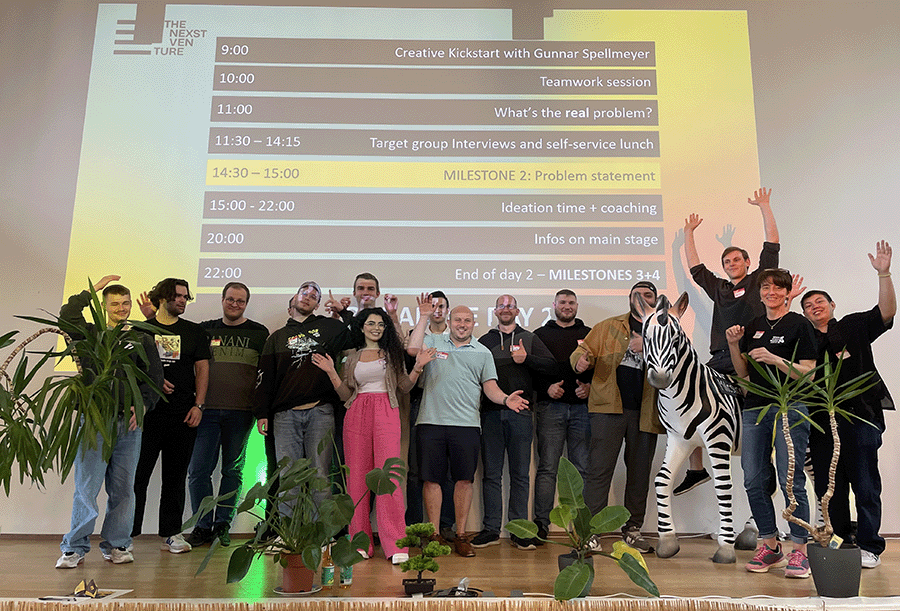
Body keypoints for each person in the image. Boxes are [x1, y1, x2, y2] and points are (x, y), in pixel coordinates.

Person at [407, 294, 529, 557]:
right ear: (449, 321)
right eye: (457, 320)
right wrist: (424, 316)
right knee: (431, 480)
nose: (462, 324)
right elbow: (412, 349)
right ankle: (434, 534)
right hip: (431, 422)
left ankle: (461, 535)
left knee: (464, 480)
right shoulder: (433, 342)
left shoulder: (482, 352)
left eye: (467, 321)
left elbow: (490, 387)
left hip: (466, 426)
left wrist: (506, 399)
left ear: (474, 324)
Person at [677, 187, 781, 494]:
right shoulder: (720, 289)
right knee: (691, 399)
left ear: (747, 263)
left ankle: (764, 462)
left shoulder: (759, 281)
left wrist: (764, 206)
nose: (731, 263)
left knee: (754, 407)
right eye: (727, 261)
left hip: (750, 356)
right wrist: (688, 234)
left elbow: (772, 245)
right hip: (720, 357)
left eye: (737, 259)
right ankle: (697, 470)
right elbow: (695, 268)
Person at [313, 308, 436, 564]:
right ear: (361, 327)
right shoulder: (351, 357)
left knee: (388, 477)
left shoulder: (392, 355)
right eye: (371, 323)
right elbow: (346, 395)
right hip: (356, 412)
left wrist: (418, 367)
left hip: (386, 411)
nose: (376, 328)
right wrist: (330, 371)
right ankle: (360, 542)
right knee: (356, 478)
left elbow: (404, 387)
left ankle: (395, 543)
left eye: (381, 324)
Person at [56, 275, 163, 568]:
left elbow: (154, 378)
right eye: (115, 303)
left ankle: (118, 544)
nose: (121, 308)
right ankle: (74, 547)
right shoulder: (90, 334)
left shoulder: (141, 338)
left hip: (129, 425)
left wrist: (142, 405)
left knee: (123, 489)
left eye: (125, 303)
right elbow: (67, 315)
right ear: (103, 306)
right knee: (86, 488)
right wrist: (94, 289)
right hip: (94, 421)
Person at [801, 240, 895, 569]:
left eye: (819, 301)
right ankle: (840, 540)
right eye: (808, 305)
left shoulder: (853, 325)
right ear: (804, 314)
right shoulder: (804, 341)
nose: (814, 306)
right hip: (821, 421)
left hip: (861, 416)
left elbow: (886, 312)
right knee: (831, 488)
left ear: (832, 304)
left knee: (866, 484)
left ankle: (870, 546)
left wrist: (884, 274)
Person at [726, 268, 817, 578]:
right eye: (766, 288)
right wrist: (734, 345)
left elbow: (808, 373)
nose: (771, 293)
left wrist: (776, 359)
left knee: (790, 479)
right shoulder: (754, 326)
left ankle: (800, 550)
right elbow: (744, 374)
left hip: (791, 406)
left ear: (788, 293)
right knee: (753, 477)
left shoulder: (800, 325)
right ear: (760, 293)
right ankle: (770, 546)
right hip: (755, 408)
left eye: (778, 288)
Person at [570, 281, 664, 553]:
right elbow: (582, 352)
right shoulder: (607, 326)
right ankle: (590, 532)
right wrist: (580, 361)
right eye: (637, 295)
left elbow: (676, 361)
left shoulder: (664, 329)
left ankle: (633, 529)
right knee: (598, 471)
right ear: (629, 299)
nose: (642, 299)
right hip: (607, 410)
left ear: (656, 300)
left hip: (646, 412)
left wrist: (647, 344)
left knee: (639, 474)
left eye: (648, 295)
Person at [252, 282, 352, 512]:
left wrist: (343, 313)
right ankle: (289, 531)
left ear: (317, 305)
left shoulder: (328, 327)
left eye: (313, 296)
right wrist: (261, 412)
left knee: (320, 475)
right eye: (304, 293)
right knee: (289, 478)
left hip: (321, 412)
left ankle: (321, 531)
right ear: (295, 298)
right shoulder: (277, 338)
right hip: (285, 416)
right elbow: (265, 377)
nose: (308, 297)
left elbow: (356, 335)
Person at [185, 282, 269, 548]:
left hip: (241, 412)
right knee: (199, 471)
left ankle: (223, 524)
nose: (235, 304)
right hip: (206, 411)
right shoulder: (204, 330)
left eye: (240, 301)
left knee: (232, 471)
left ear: (246, 304)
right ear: (222, 300)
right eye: (230, 299)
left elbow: (265, 374)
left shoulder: (259, 333)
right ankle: (202, 525)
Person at [471, 294, 556, 550]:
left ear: (517, 311)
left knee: (520, 475)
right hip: (490, 414)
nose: (506, 309)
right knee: (491, 475)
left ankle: (519, 530)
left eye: (510, 305)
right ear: (495, 311)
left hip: (522, 414)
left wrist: (526, 359)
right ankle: (491, 529)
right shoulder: (484, 341)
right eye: (501, 305)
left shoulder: (529, 338)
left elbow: (551, 367)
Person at [132, 278, 210, 553]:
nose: (182, 300)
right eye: (178, 296)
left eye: (185, 297)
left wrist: (199, 406)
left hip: (182, 415)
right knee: (137, 476)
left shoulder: (194, 332)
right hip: (146, 415)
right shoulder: (141, 330)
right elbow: (130, 368)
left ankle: (171, 533)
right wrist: (152, 379)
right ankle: (125, 537)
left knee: (175, 478)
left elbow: (202, 369)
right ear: (162, 297)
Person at [532, 289, 592, 542]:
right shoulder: (539, 335)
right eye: (563, 302)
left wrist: (590, 388)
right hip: (550, 409)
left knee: (582, 469)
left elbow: (601, 369)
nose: (567, 306)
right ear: (554, 305)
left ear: (577, 306)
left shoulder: (590, 334)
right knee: (547, 468)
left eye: (571, 303)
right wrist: (546, 388)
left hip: (582, 410)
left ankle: (581, 526)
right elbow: (531, 370)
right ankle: (541, 524)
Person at [403, 290, 455, 538]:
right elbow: (411, 352)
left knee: (447, 471)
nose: (437, 310)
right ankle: (414, 525)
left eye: (441, 306)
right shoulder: (417, 334)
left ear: (447, 310)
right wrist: (421, 320)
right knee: (416, 469)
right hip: (421, 402)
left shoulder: (458, 336)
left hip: (450, 405)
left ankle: (445, 525)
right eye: (432, 306)